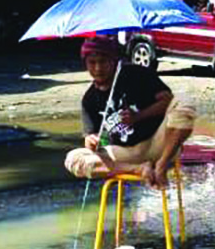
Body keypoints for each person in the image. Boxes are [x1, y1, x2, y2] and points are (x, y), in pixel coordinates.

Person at [64, 37, 195, 189]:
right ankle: (139, 170)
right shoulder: (89, 100)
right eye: (92, 63)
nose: (98, 68)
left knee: (184, 104)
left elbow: (167, 100)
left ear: (114, 61)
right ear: (85, 64)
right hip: (124, 153)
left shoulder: (137, 74)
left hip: (156, 143)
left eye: (103, 61)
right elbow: (95, 140)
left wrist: (138, 116)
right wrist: (93, 142)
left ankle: (161, 165)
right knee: (73, 159)